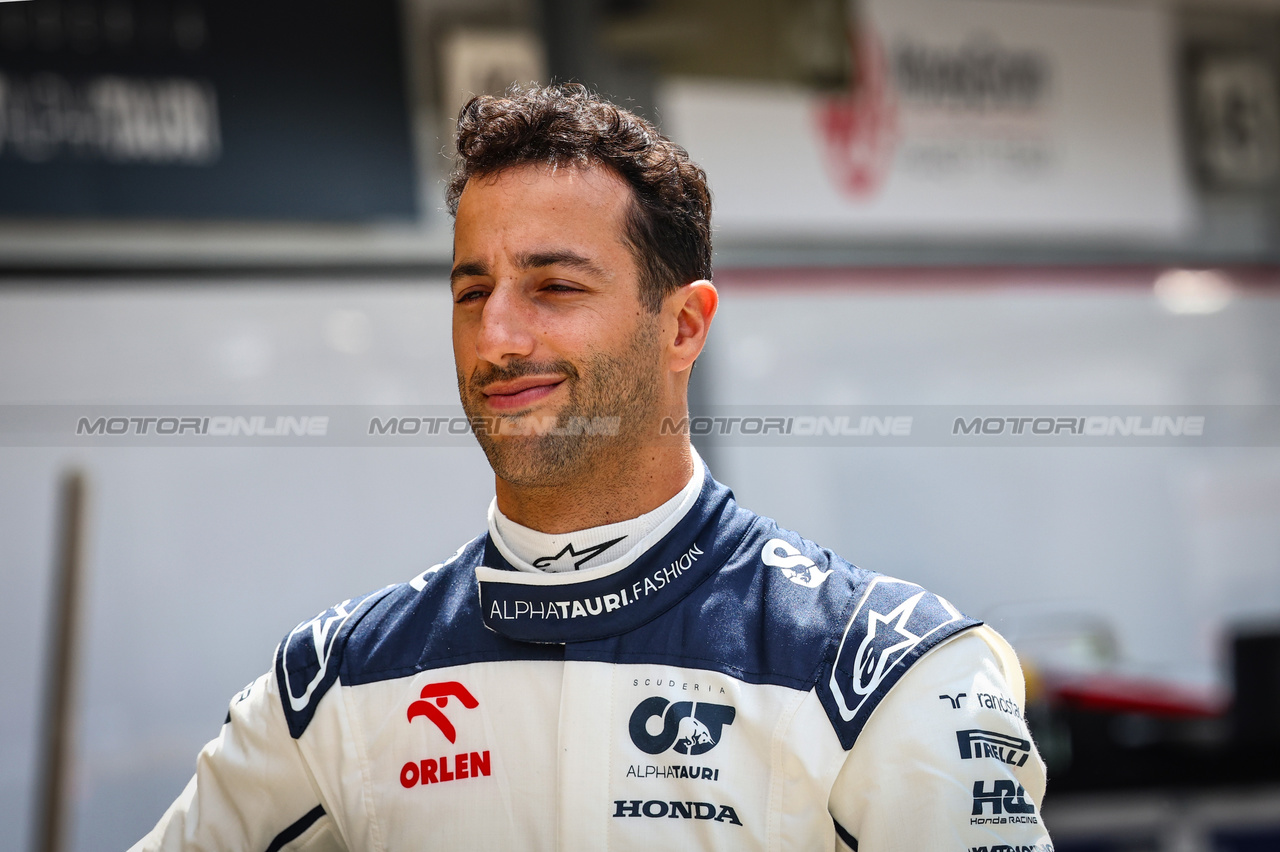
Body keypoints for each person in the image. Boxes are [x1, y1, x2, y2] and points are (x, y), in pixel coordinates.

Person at [133, 83, 1051, 851]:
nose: (497, 337)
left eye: (555, 287)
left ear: (683, 326)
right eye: (472, 291)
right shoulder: (339, 682)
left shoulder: (885, 671)